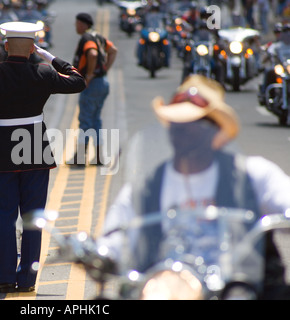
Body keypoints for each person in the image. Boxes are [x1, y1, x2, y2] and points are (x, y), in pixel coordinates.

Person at [101, 75, 290, 299]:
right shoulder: (145, 187)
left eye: (191, 124)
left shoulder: (252, 174)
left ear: (213, 129)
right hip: (166, 286)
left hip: (239, 286)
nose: (180, 131)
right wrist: (101, 254)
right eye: (176, 123)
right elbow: (112, 238)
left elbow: (284, 200)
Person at [0, 21, 86, 293]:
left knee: (5, 218)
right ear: (33, 47)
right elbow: (79, 81)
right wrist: (51, 57)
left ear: (6, 44)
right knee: (33, 220)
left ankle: (3, 279)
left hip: (2, 153)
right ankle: (27, 281)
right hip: (35, 149)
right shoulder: (44, 73)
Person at [69, 12, 117, 166]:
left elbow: (92, 54)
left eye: (77, 23)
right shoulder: (98, 36)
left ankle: (80, 158)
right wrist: (105, 70)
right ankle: (98, 157)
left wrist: (88, 76)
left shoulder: (87, 38)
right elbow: (113, 50)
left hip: (92, 84)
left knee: (85, 121)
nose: (76, 26)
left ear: (84, 24)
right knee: (95, 120)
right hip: (102, 82)